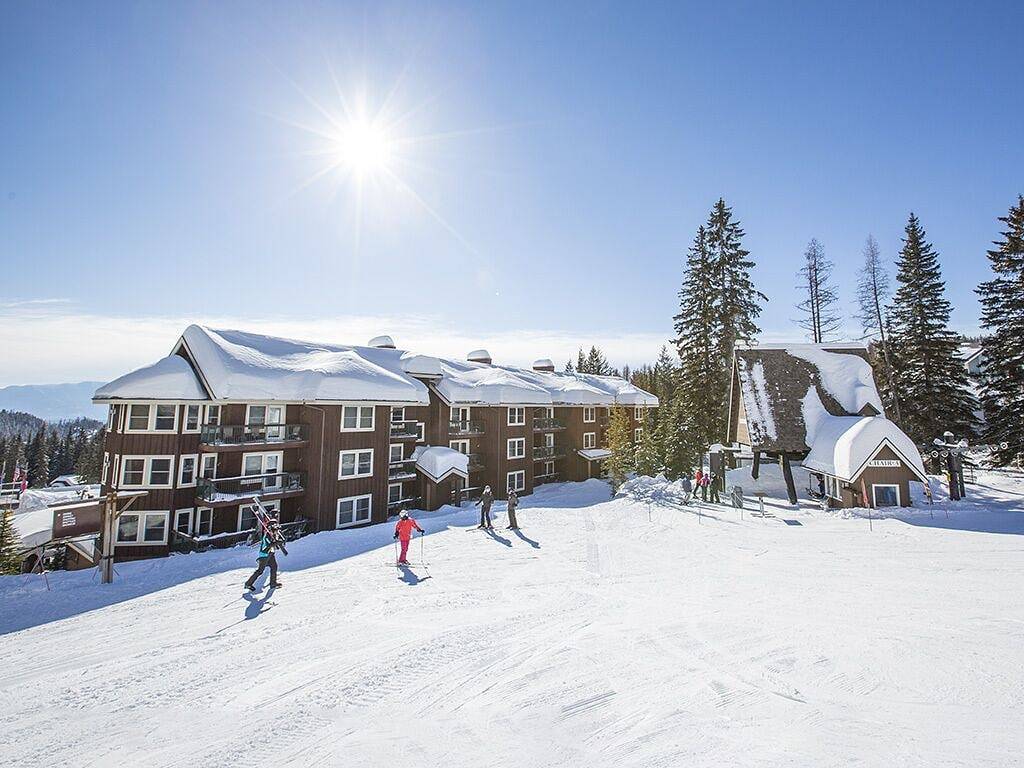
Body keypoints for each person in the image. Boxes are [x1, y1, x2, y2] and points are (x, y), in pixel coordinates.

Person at [245, 520, 282, 591]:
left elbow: (274, 543)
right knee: (260, 571)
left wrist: (279, 542)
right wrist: (277, 542)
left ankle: (273, 583)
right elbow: (269, 545)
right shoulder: (267, 535)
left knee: (274, 567)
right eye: (275, 529)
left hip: (270, 554)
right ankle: (248, 584)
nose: (277, 531)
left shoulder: (272, 534)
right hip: (264, 555)